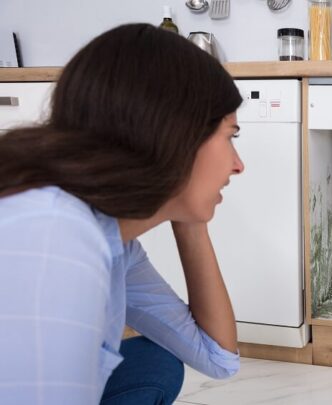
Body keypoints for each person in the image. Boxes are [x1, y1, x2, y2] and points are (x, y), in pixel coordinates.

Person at [0, 23, 245, 404]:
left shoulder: (114, 242)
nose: (238, 165)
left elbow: (219, 359)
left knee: (155, 363)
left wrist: (190, 217)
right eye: (231, 136)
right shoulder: (53, 238)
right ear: (175, 132)